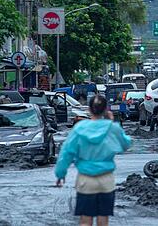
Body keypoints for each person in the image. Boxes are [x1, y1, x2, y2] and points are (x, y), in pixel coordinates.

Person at [55, 95, 131, 226]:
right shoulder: (112, 128)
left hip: (86, 180)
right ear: (106, 110)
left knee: (85, 220)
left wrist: (60, 174)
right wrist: (111, 123)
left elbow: (66, 153)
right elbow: (126, 144)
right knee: (103, 219)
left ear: (89, 110)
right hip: (106, 180)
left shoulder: (79, 128)